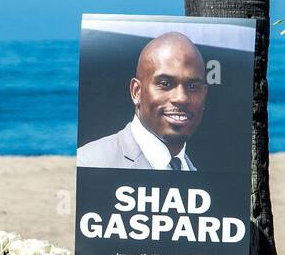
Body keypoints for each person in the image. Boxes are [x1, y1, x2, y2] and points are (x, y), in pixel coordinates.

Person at [77, 31, 208, 170]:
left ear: (204, 94)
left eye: (193, 86)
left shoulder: (205, 182)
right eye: (165, 84)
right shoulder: (89, 164)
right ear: (136, 91)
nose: (181, 98)